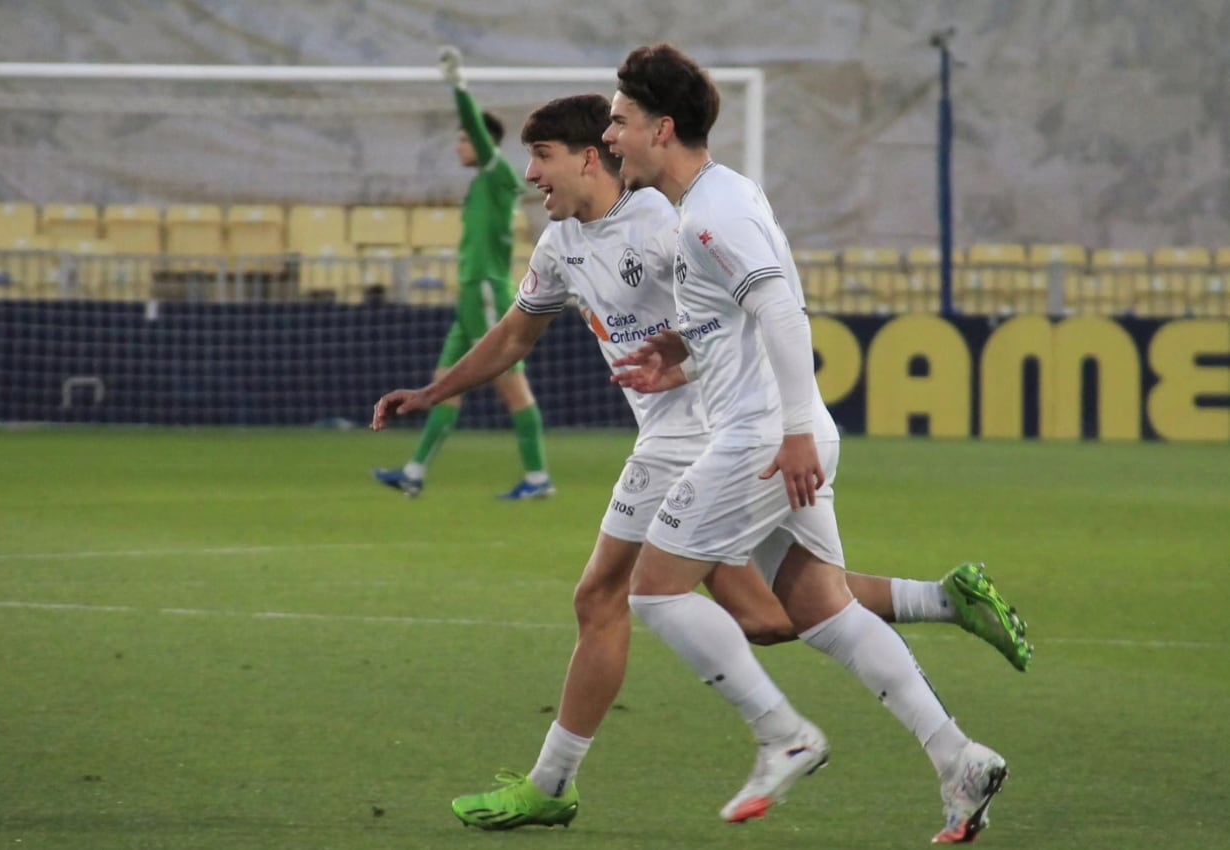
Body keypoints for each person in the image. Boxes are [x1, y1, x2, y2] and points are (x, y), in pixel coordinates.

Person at [371, 91, 1031, 840]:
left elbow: (749, 309)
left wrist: (711, 385)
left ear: (590, 158)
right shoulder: (560, 246)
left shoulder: (664, 223)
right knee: (784, 613)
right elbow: (516, 336)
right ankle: (948, 672)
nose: (531, 175)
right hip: (725, 431)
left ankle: (571, 779)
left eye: (543, 157)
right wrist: (434, 390)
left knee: (611, 595)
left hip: (705, 435)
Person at [602, 44, 1008, 843]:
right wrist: (679, 349)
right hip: (783, 430)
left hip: (763, 436)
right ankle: (959, 758)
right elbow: (740, 311)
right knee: (821, 609)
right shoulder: (714, 201)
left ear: (663, 128)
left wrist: (789, 433)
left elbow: (785, 312)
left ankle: (782, 734)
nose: (610, 137)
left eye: (619, 122)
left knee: (652, 590)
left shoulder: (713, 213)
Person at [373, 45, 553, 500]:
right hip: (471, 296)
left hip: (489, 292)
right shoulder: (480, 185)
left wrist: (458, 86)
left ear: (483, 142)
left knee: (512, 386)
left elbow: (474, 123)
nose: (459, 145)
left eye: (463, 138)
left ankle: (537, 478)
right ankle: (414, 472)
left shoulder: (496, 176)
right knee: (442, 384)